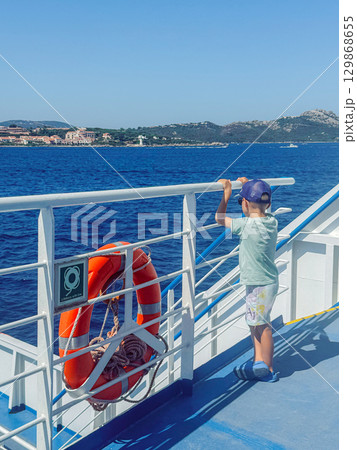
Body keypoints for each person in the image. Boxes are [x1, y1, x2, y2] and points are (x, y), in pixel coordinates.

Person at [215, 177, 279, 382]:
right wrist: (246, 186)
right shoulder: (272, 221)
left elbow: (219, 218)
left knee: (262, 325)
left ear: (244, 203)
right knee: (256, 323)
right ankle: (259, 363)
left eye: (240, 200)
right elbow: (258, 204)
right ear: (268, 204)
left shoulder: (244, 225)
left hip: (258, 284)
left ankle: (267, 369)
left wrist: (226, 195)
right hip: (267, 281)